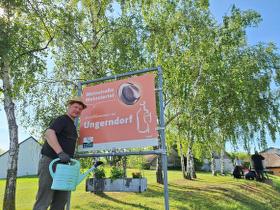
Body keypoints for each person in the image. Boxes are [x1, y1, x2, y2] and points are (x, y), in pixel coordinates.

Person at [33, 96, 87, 210]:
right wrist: (60, 152)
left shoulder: (72, 125)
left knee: (61, 200)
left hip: (64, 166)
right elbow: (49, 133)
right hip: (51, 162)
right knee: (45, 197)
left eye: (80, 109)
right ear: (69, 106)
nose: (77, 110)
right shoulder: (62, 119)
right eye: (75, 107)